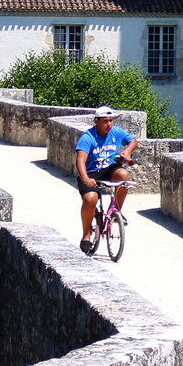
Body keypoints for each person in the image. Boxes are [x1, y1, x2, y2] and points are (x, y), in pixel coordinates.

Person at [76, 106, 134, 255]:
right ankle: (86, 235)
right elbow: (80, 161)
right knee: (91, 198)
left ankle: (117, 212)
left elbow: (132, 141)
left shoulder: (116, 132)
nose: (108, 125)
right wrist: (86, 179)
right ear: (96, 121)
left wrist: (127, 151)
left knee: (123, 176)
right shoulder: (88, 137)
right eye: (104, 122)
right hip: (91, 173)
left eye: (110, 121)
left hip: (109, 169)